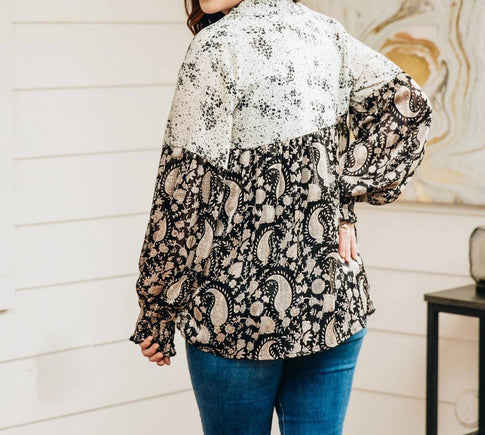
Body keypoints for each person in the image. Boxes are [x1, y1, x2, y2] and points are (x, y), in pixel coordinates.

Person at [129, 0, 432, 433]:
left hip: (237, 309)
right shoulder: (325, 33)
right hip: (331, 299)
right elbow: (410, 104)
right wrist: (344, 199)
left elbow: (182, 190)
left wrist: (157, 309)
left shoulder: (217, 46)